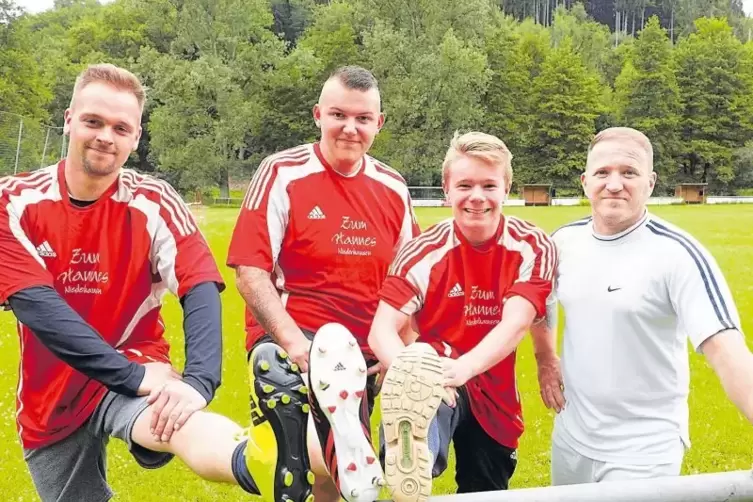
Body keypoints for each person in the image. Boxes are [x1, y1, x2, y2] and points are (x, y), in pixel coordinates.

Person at [0, 63, 292, 502]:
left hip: (134, 364)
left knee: (175, 417)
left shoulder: (152, 199)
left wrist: (197, 382)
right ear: (68, 120)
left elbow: (200, 287)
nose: (105, 137)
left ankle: (259, 459)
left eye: (121, 128)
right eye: (93, 121)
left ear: (135, 138)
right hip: (52, 396)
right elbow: (40, 308)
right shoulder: (14, 201)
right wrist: (135, 376)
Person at [227, 65, 420, 502]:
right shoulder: (281, 173)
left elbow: (408, 282)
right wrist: (298, 348)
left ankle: (306, 451)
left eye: (363, 119)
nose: (350, 128)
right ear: (318, 115)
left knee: (343, 483)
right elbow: (250, 271)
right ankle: (295, 445)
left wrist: (397, 355)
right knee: (340, 456)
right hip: (295, 340)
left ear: (379, 123)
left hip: (366, 348)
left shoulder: (393, 186)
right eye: (338, 115)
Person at [531, 127, 753, 485]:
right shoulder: (562, 242)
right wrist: (545, 358)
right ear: (585, 181)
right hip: (571, 439)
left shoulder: (677, 254)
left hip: (644, 451)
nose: (614, 184)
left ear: (650, 183)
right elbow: (542, 303)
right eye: (603, 173)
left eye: (628, 172)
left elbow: (728, 352)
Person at [368, 131, 556, 500]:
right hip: (436, 376)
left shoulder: (532, 244)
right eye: (465, 185)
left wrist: (464, 369)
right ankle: (411, 455)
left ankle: (413, 447)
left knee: (486, 488)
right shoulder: (422, 252)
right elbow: (381, 330)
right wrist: (414, 371)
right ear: (446, 189)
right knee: (425, 400)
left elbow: (517, 322)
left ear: (506, 189)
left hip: (493, 388)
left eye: (489, 185)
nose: (476, 197)